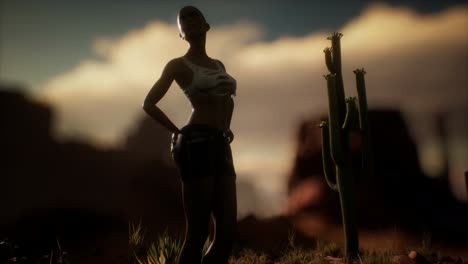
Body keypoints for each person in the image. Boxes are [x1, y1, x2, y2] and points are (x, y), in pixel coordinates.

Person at [142, 6, 237, 264]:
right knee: (197, 233)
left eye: (194, 15)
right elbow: (149, 103)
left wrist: (226, 126)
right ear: (181, 34)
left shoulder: (219, 65)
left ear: (207, 26)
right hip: (195, 143)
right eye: (183, 19)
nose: (189, 19)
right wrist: (178, 132)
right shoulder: (177, 65)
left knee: (227, 232)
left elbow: (227, 100)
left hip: (220, 143)